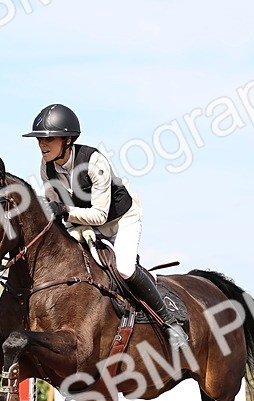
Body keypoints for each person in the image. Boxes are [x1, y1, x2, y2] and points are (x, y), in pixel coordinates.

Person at [23, 103, 188, 351]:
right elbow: (53, 207)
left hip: (121, 220)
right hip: (83, 223)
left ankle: (169, 323)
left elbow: (100, 215)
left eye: (49, 138)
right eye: (39, 140)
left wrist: (65, 211)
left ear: (67, 140)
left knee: (124, 268)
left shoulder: (93, 161)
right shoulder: (47, 168)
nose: (42, 145)